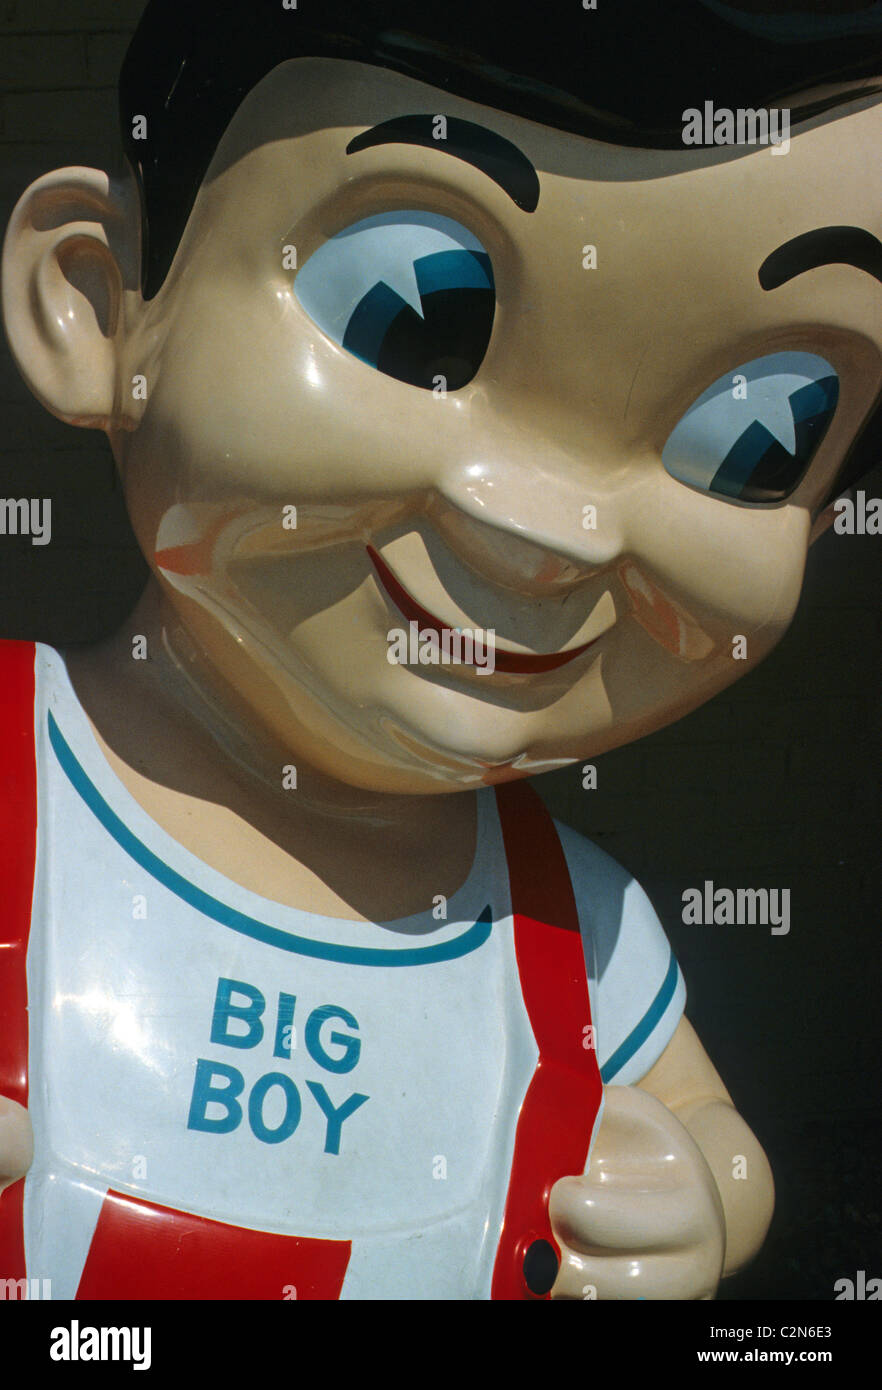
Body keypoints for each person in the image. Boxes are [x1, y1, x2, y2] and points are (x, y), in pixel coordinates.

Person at [0, 0, 879, 1300]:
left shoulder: (571, 927)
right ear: (96, 303)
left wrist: (700, 1203)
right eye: (415, 311)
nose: (551, 537)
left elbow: (709, 1139)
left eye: (753, 435)